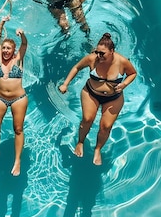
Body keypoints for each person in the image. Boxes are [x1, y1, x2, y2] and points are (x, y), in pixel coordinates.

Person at [58, 33, 137, 165]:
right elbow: (77, 67)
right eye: (97, 52)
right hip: (91, 93)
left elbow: (133, 73)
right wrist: (65, 84)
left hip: (114, 98)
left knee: (106, 127)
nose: (98, 56)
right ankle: (80, 142)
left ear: (112, 51)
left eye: (102, 53)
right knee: (87, 119)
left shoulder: (122, 62)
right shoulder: (92, 58)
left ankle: (98, 149)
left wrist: (124, 84)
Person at [0, 15, 28, 177]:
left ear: (13, 50)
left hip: (18, 99)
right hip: (0, 98)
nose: (5, 51)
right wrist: (2, 23)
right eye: (4, 48)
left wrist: (22, 34)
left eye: (8, 49)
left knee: (18, 129)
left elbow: (24, 44)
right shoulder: (0, 59)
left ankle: (17, 160)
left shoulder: (18, 60)